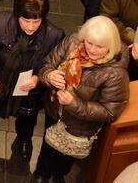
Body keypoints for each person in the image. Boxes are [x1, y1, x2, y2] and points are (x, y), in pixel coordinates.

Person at [32, 16, 130, 182]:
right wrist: (49, 75)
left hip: (79, 125)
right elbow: (48, 63)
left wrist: (73, 103)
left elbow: (109, 113)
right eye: (89, 42)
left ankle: (58, 176)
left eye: (100, 46)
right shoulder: (72, 42)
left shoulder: (116, 74)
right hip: (55, 111)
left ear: (111, 45)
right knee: (47, 145)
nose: (91, 49)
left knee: (65, 157)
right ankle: (41, 173)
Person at [0, 0, 65, 161]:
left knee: (27, 120)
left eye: (36, 21)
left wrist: (38, 78)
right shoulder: (0, 23)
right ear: (16, 16)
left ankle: (24, 139)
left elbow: (54, 65)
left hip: (29, 91)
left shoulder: (54, 35)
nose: (30, 27)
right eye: (25, 20)